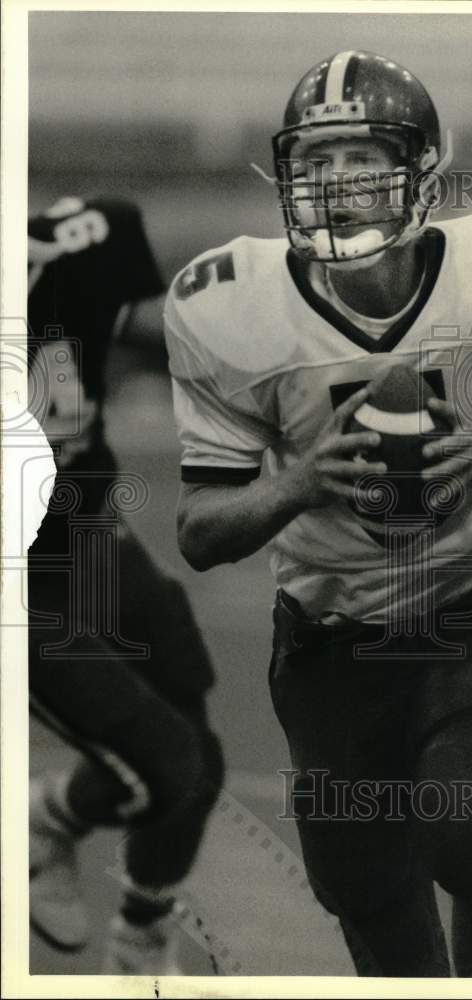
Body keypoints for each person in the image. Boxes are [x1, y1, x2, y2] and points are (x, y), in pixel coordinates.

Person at [165, 51, 472, 977]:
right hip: (326, 634)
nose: (336, 183)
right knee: (367, 896)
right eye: (316, 161)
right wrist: (298, 483)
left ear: (426, 166)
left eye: (363, 156)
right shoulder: (229, 305)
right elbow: (199, 530)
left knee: (457, 838)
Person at [27, 196, 224, 974]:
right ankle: (45, 816)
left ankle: (139, 943)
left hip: (91, 533)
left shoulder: (74, 247)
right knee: (167, 770)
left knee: (199, 761)